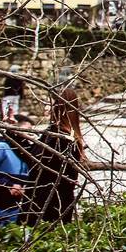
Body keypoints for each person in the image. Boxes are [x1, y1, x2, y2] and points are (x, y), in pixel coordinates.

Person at [26, 89, 85, 224]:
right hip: (48, 204)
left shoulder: (61, 139)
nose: (46, 107)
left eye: (50, 103)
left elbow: (36, 162)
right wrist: (12, 133)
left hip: (49, 207)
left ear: (60, 106)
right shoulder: (57, 134)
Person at [0, 114, 35, 224]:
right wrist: (9, 185)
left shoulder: (27, 153)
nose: (30, 136)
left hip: (14, 207)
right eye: (26, 131)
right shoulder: (0, 147)